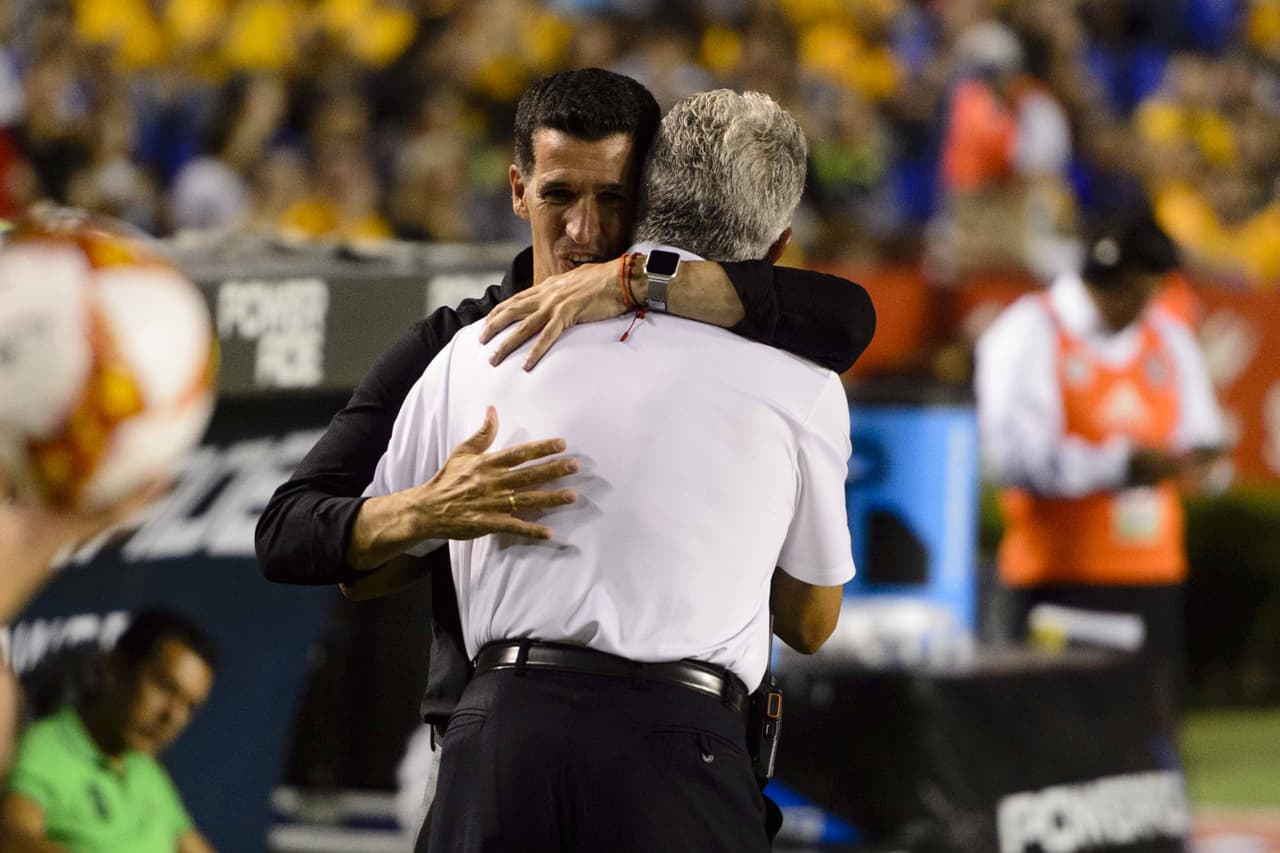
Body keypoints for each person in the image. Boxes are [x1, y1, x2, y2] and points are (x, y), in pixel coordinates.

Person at [255, 68, 874, 738]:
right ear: (518, 190)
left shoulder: (706, 318)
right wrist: (422, 510)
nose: (585, 228)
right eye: (560, 195)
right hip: (490, 729)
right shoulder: (460, 345)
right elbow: (288, 532)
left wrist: (634, 281)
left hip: (671, 737)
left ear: (649, 199)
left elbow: (846, 316)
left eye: (613, 197)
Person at [363, 87, 854, 852]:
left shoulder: (478, 346)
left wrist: (435, 514)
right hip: (678, 749)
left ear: (643, 205)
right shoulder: (802, 382)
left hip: (498, 737)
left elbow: (364, 562)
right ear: (781, 249)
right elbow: (811, 621)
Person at [975, 209, 1224, 734]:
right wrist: (1120, 464)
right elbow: (1012, 460)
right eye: (1141, 286)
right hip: (1057, 583)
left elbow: (1201, 439)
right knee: (1052, 750)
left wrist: (1199, 464)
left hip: (1152, 579)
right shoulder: (1030, 331)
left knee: (1146, 754)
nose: (1147, 300)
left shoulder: (1167, 338)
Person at [0, 608, 218, 852]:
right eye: (165, 687)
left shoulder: (147, 768)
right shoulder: (45, 747)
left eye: (189, 706)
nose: (172, 717)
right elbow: (11, 838)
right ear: (116, 666)